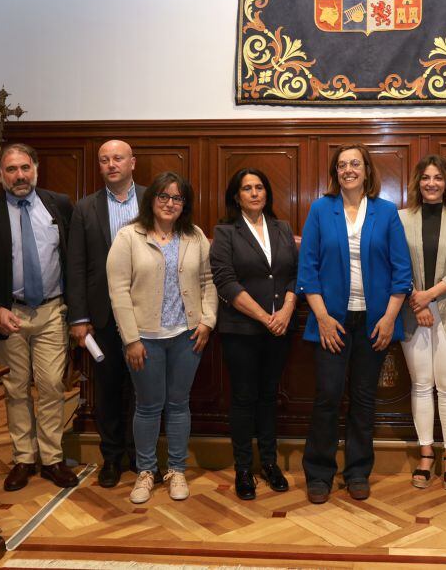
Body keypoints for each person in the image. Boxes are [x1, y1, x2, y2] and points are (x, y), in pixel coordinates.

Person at [297, 143, 411, 504]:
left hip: (374, 322)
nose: (348, 170)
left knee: (363, 398)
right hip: (331, 320)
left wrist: (390, 318)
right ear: (336, 172)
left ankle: (358, 471)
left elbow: (402, 271)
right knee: (328, 396)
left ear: (366, 171)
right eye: (342, 165)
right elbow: (307, 269)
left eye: (355, 164)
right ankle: (319, 473)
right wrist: (322, 317)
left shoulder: (386, 211)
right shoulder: (321, 209)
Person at [107, 171, 218, 503]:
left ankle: (177, 470)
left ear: (185, 204)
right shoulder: (129, 236)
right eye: (164, 196)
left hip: (187, 336)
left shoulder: (195, 237)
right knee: (148, 406)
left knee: (179, 404)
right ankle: (145, 471)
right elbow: (118, 291)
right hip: (144, 339)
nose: (170, 203)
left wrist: (207, 322)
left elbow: (208, 282)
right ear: (151, 199)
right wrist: (131, 339)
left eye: (177, 198)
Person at [0, 143, 78, 492]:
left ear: (36, 169)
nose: (19, 176)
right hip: (9, 314)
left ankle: (51, 458)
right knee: (15, 388)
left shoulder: (59, 205)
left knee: (51, 385)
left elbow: (74, 259)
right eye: (11, 169)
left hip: (52, 310)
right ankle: (23, 458)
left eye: (25, 168)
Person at [210, 168, 299, 500]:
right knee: (244, 398)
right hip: (241, 330)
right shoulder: (225, 232)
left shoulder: (282, 228)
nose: (254, 193)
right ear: (237, 196)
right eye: (247, 188)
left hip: (280, 328)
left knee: (269, 397)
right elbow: (225, 281)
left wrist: (287, 310)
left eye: (259, 187)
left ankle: (270, 464)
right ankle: (244, 469)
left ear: (267, 193)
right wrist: (264, 317)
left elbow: (295, 273)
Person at [66, 139, 145, 488]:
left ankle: (141, 457)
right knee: (109, 390)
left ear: (132, 163)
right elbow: (76, 265)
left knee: (144, 390)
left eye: (118, 158)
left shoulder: (153, 200)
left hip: (146, 313)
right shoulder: (85, 208)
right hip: (103, 316)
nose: (111, 164)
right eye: (104, 160)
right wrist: (79, 318)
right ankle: (112, 457)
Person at [399, 155, 446, 491]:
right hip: (411, 311)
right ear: (418, 183)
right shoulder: (401, 218)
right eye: (426, 178)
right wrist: (417, 302)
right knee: (420, 384)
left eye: (438, 178)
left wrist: (428, 296)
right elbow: (396, 264)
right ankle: (426, 453)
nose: (432, 183)